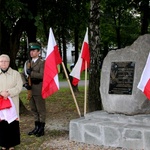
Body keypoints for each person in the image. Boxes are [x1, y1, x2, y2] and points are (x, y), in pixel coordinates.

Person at [21, 42, 46, 137]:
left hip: (39, 88)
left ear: (39, 52)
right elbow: (22, 74)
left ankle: (41, 128)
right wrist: (25, 83)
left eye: (34, 50)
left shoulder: (42, 62)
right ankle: (36, 127)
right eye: (30, 51)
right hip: (30, 89)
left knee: (41, 109)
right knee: (33, 109)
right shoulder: (28, 63)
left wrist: (31, 73)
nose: (31, 52)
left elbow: (42, 75)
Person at [0, 54, 23, 150]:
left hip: (12, 103)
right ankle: (3, 144)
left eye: (6, 61)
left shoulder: (16, 74)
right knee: (2, 124)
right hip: (1, 104)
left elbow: (19, 86)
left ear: (9, 62)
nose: (3, 63)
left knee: (12, 124)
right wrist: (1, 93)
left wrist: (9, 92)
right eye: (1, 61)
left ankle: (12, 145)